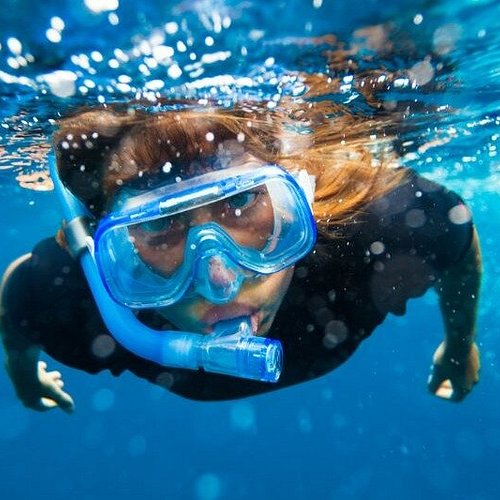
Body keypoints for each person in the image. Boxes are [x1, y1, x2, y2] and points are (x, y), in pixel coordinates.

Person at [0, 100, 481, 413]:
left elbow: (459, 240)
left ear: (300, 204)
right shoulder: (70, 299)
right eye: (157, 225)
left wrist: (460, 344)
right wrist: (22, 376)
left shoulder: (382, 228)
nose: (220, 278)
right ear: (105, 250)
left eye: (242, 203)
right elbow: (17, 296)